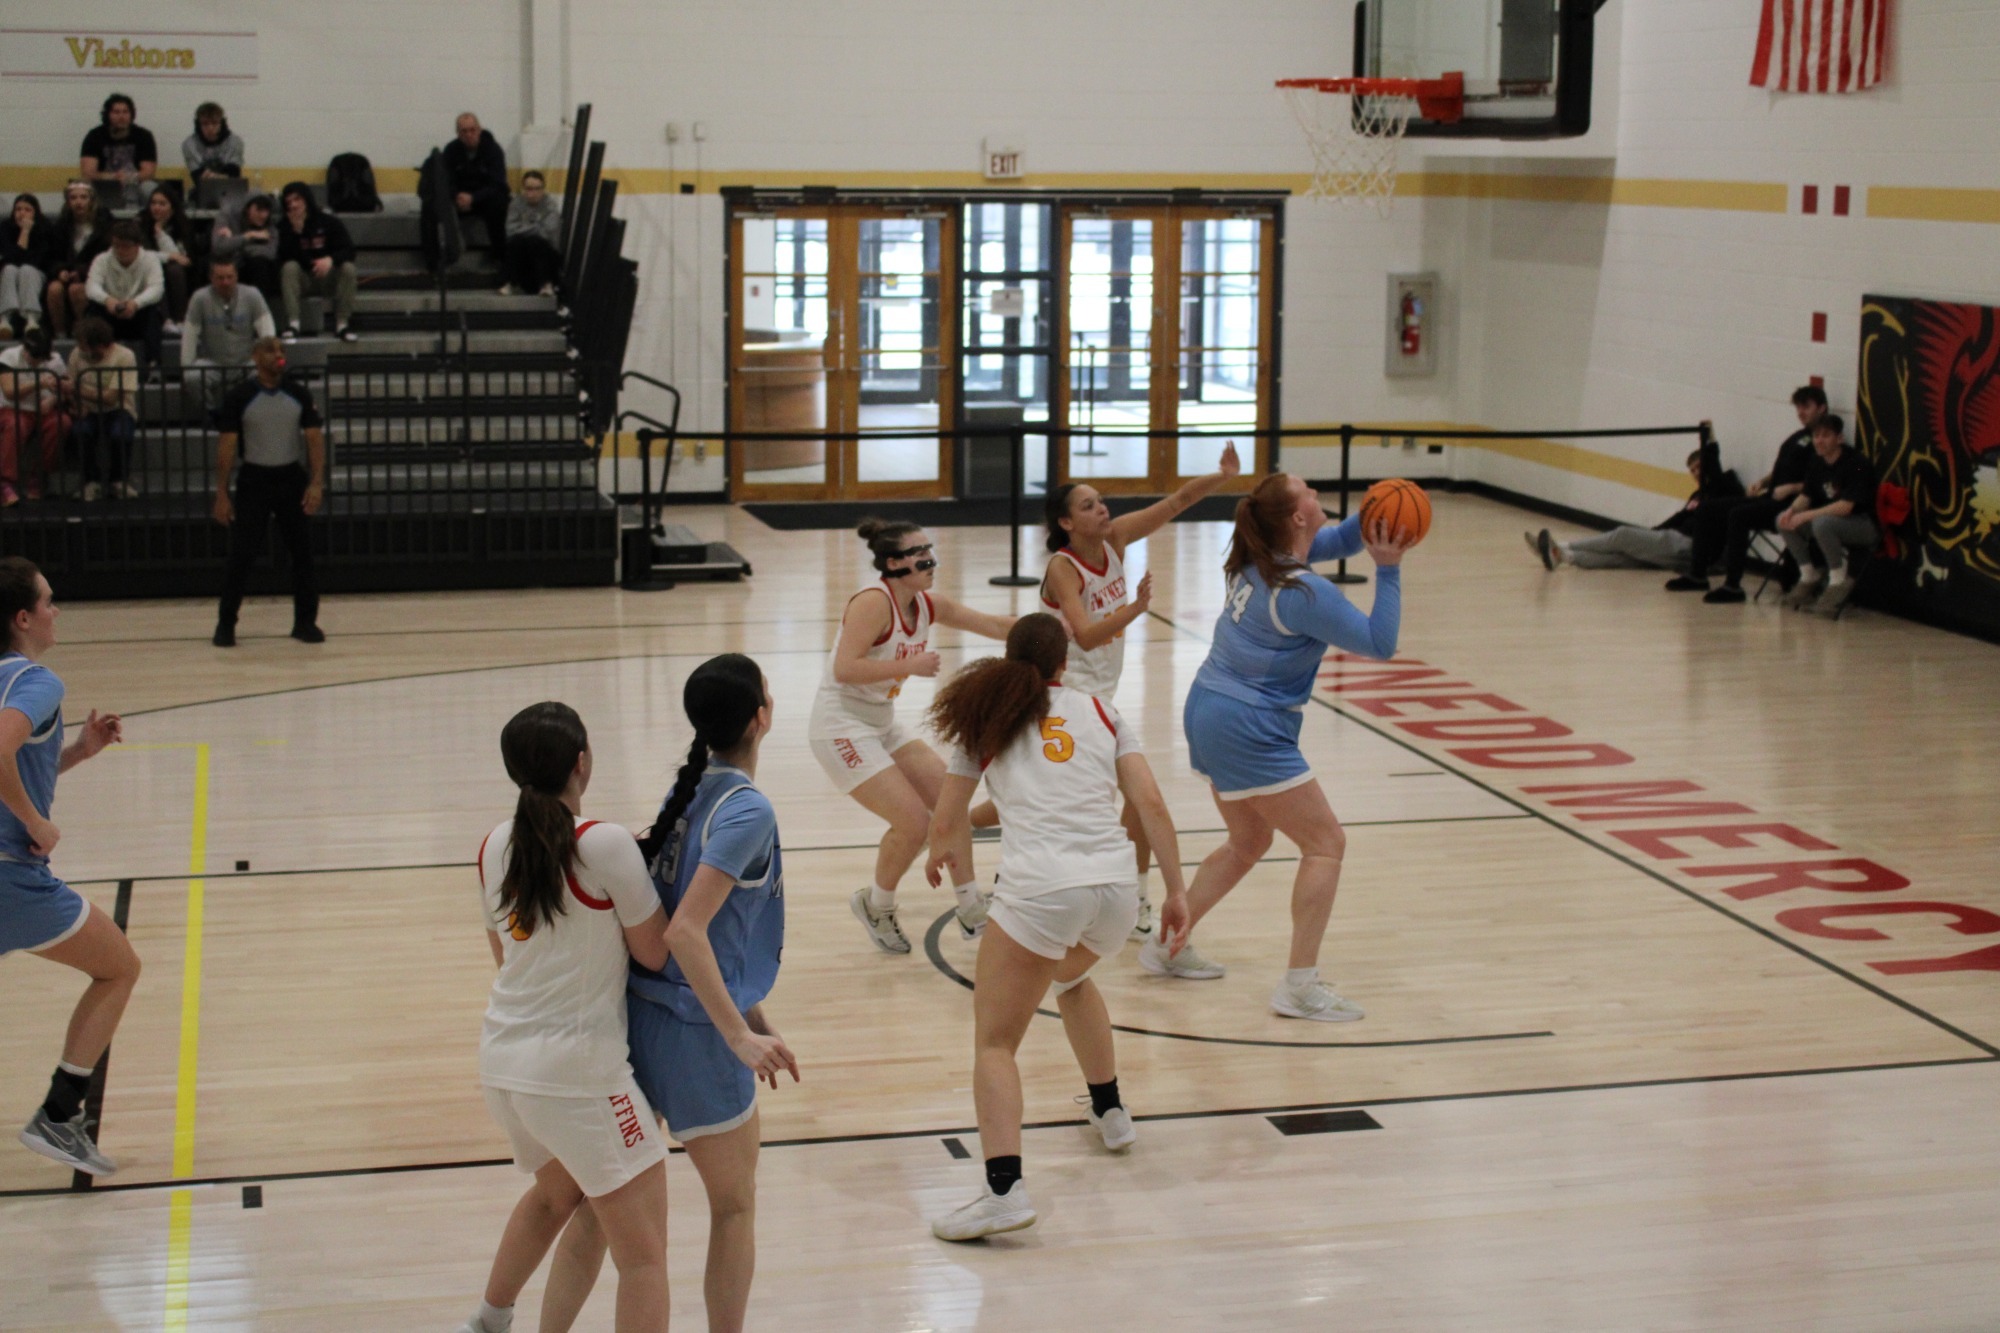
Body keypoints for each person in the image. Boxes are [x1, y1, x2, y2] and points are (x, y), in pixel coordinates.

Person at [540, 655, 798, 1333]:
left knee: (605, 1210)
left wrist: (753, 1010)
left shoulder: (690, 793)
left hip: (636, 1024)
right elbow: (688, 931)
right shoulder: (748, 809)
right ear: (760, 718)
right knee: (734, 1205)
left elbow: (709, 932)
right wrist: (739, 1034)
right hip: (694, 1037)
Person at [922, 613, 1191, 1241]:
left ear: (1008, 658)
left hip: (1042, 891)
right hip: (1115, 892)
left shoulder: (985, 716)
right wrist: (1176, 890)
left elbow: (946, 821)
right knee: (1070, 982)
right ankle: (1111, 1111)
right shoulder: (1100, 710)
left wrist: (945, 861)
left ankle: (1003, 1192)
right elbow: (1149, 804)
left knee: (995, 1043)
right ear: (1063, 663)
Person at [1157, 473, 1411, 1020]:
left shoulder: (1259, 554)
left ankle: (1167, 944)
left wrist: (1376, 522)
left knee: (1248, 838)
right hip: (1246, 723)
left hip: (1207, 706)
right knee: (1326, 843)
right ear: (1297, 518)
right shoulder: (1302, 592)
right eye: (1311, 496)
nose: (1320, 500)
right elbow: (1379, 642)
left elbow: (1340, 540)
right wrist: (1388, 569)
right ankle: (1299, 985)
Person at [967, 443, 1241, 941]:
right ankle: (1128, 893)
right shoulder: (1063, 568)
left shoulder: (1115, 539)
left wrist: (1221, 476)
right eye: (1088, 505)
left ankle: (954, 826)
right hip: (1061, 688)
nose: (1102, 509)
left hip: (1100, 690)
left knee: (1114, 795)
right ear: (1067, 523)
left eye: (1101, 500)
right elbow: (1087, 633)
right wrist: (1138, 608)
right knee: (1120, 795)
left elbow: (1176, 502)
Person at [458, 702, 670, 1333]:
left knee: (556, 1198)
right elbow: (654, 952)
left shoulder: (494, 844)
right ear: (583, 763)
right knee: (644, 1259)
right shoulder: (602, 842)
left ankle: (488, 1320)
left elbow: (506, 954)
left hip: (503, 1063)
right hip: (580, 1075)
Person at [809, 519, 1020, 955]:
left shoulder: (927, 604)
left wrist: (1053, 628)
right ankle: (876, 904)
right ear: (893, 563)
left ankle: (970, 907)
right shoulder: (873, 602)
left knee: (951, 800)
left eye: (930, 548)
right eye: (919, 551)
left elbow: (995, 626)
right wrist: (909, 665)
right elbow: (843, 669)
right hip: (840, 724)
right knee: (913, 823)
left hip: (880, 720)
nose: (930, 559)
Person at [1, 557, 138, 1178]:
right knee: (118, 968)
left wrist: (79, 751)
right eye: (49, 602)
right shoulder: (37, 681)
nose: (58, 612)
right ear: (23, 618)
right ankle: (59, 1115)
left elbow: (18, 765)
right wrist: (35, 823)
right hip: (11, 877)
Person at [211, 338, 327, 646]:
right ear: (255, 356)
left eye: (281, 351)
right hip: (255, 480)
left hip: (291, 478)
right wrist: (221, 492)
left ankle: (305, 622)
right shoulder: (240, 396)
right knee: (242, 555)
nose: (277, 355)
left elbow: (314, 440)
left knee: (302, 553)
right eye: (270, 350)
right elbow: (227, 446)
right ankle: (226, 624)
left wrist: (316, 482)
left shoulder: (298, 394)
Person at [1668, 385, 1826, 603]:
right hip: (1771, 496)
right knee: (1707, 507)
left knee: (1739, 515)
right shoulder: (1798, 436)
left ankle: (1733, 585)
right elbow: (1784, 469)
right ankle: (1697, 574)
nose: (1801, 412)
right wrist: (1764, 481)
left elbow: (1821, 480)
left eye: (1806, 407)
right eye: (1798, 408)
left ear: (1822, 408)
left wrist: (1792, 488)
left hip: (1792, 504)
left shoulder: (1824, 440)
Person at [1527, 443, 1744, 573]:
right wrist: (1651, 532)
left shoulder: (1724, 485)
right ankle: (1562, 556)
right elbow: (1679, 517)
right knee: (1622, 558)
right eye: (1692, 470)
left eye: (1699, 467)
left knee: (1623, 535)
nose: (1696, 473)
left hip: (1688, 545)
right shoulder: (1697, 495)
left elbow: (1719, 480)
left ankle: (1562, 544)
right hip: (1674, 540)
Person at [1776, 412, 1878, 616]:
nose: (1819, 441)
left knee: (1822, 523)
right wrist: (1792, 511)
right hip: (1830, 521)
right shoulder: (1816, 462)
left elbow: (1846, 507)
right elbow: (1806, 496)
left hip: (1863, 524)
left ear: (1839, 438)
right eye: (1816, 436)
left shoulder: (1856, 463)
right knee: (1783, 521)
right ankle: (1808, 574)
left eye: (1825, 436)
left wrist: (1806, 516)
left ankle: (1838, 579)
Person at [181, 256, 275, 419]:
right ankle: (211, 414)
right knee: (192, 377)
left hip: (246, 362)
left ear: (236, 276)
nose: (225, 282)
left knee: (265, 371)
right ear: (211, 278)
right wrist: (185, 368)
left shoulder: (252, 295)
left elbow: (267, 333)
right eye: (220, 278)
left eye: (229, 277)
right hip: (213, 362)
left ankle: (248, 414)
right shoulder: (200, 298)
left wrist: (268, 361)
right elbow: (189, 336)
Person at [275, 182, 358, 342]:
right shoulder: (284, 226)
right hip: (303, 279)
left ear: (306, 199)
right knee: (289, 267)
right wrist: (297, 234)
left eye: (297, 199)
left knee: (348, 268)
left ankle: (342, 324)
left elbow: (349, 250)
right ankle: (293, 324)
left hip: (328, 277)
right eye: (289, 202)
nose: (293, 205)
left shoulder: (328, 222)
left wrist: (330, 259)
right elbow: (284, 257)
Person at [67, 318, 138, 502]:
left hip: (118, 409)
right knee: (79, 432)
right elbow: (69, 388)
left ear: (97, 345)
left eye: (84, 345)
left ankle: (119, 480)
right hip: (88, 410)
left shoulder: (124, 356)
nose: (80, 349)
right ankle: (91, 481)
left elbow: (110, 397)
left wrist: (77, 389)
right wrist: (77, 405)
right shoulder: (76, 355)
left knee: (120, 433)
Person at [82, 221, 165, 371]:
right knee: (93, 312)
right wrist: (108, 300)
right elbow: (91, 286)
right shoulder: (102, 260)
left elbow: (157, 288)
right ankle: (94, 363)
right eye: (116, 245)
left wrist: (135, 303)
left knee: (153, 313)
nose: (120, 250)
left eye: (125, 246)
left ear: (137, 245)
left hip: (138, 315)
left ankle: (154, 365)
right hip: (110, 314)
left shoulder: (150, 260)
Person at [0, 328, 69, 505]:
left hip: (43, 411)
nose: (37, 361)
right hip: (13, 408)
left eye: (41, 358)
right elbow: (9, 392)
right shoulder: (9, 357)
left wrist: (53, 399)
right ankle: (5, 482)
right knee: (15, 425)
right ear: (25, 349)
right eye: (34, 357)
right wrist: (39, 383)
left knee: (62, 422)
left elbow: (64, 389)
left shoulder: (55, 360)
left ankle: (39, 475)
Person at [436, 112, 510, 264]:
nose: (469, 135)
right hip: (460, 198)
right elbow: (446, 180)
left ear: (479, 129)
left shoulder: (493, 150)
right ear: (458, 133)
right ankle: (442, 257)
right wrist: (457, 196)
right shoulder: (451, 150)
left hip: (485, 198)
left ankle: (500, 257)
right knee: (436, 205)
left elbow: (497, 184)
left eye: (472, 130)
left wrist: (474, 198)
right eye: (464, 131)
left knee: (499, 203)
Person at [44, 181, 110, 338]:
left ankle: (84, 332)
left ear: (91, 200)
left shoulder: (104, 226)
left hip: (93, 274)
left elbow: (105, 257)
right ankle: (60, 333)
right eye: (73, 198)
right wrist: (60, 271)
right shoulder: (61, 227)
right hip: (67, 274)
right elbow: (50, 257)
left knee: (76, 290)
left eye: (83, 197)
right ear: (68, 202)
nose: (78, 202)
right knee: (54, 289)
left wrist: (81, 271)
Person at [78, 93, 157, 212]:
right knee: (82, 187)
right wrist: (113, 177)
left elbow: (149, 172)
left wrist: (128, 177)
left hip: (134, 184)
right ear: (108, 115)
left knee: (150, 187)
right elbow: (88, 172)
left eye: (125, 112)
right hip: (104, 184)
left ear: (131, 115)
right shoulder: (94, 136)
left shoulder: (143, 136)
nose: (122, 116)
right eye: (116, 112)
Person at [1, 193, 57, 338]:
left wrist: (26, 231)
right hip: (12, 273)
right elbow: (10, 259)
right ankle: (5, 320)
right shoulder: (5, 228)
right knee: (9, 269)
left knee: (26, 270)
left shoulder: (45, 228)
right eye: (18, 209)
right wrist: (24, 233)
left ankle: (32, 319)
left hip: (37, 274)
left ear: (35, 212)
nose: (22, 213)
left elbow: (37, 261)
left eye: (27, 209)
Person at [142, 187, 198, 331]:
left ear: (172, 208)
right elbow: (143, 255)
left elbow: (182, 259)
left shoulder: (182, 225)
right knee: (156, 269)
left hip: (176, 272)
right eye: (153, 203)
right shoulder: (140, 224)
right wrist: (169, 256)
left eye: (162, 204)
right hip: (146, 268)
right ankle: (165, 320)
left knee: (175, 270)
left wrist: (160, 233)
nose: (156, 208)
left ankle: (180, 319)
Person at [211, 193, 280, 308]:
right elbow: (218, 247)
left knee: (260, 263)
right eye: (258, 210)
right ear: (248, 208)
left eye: (266, 211)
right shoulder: (227, 215)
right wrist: (248, 236)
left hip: (255, 268)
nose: (263, 215)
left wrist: (234, 240)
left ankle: (260, 313)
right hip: (230, 263)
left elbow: (269, 253)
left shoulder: (270, 226)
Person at [500, 170, 562, 296]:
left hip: (546, 251)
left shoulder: (550, 205)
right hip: (522, 249)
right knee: (516, 243)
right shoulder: (516, 203)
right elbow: (510, 230)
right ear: (523, 189)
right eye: (528, 189)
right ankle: (510, 282)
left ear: (543, 189)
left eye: (536, 189)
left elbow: (548, 231)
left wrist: (524, 228)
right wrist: (536, 227)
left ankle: (545, 283)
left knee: (535, 242)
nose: (532, 193)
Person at [181, 102, 244, 185]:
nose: (210, 128)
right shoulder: (189, 144)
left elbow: (234, 174)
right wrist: (221, 177)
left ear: (222, 123)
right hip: (203, 189)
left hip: (230, 188)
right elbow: (197, 177)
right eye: (205, 124)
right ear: (198, 125)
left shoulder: (234, 142)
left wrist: (217, 177)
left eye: (214, 123)